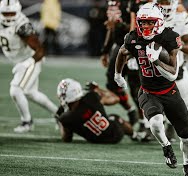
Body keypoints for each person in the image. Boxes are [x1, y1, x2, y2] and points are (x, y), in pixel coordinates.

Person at [114, 3, 188, 176]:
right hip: (148, 91)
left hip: (169, 91)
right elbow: (122, 52)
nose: (144, 26)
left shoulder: (169, 37)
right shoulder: (133, 37)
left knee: (187, 137)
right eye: (142, 23)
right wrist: (117, 74)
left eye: (149, 22)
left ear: (158, 22)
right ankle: (166, 147)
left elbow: (173, 74)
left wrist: (156, 61)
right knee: (156, 123)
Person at [0, 0, 58, 133]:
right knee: (31, 93)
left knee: (16, 90)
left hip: (31, 60)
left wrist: (27, 63)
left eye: (11, 13)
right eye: (5, 13)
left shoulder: (22, 25)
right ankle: (60, 114)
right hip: (19, 61)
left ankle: (27, 121)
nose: (8, 17)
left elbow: (40, 50)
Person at [155, 0, 188, 145]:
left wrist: (175, 42)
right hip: (153, 68)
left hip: (176, 68)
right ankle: (148, 126)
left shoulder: (181, 17)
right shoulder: (148, 13)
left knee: (186, 106)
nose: (164, 4)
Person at [55, 78, 134, 144]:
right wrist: (97, 89)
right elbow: (115, 98)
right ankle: (134, 134)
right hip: (115, 135)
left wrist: (60, 122)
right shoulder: (91, 98)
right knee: (114, 117)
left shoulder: (65, 118)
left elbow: (66, 138)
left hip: (95, 141)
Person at [100, 0, 140, 127]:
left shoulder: (133, 3)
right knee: (112, 83)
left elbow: (141, 28)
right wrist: (105, 50)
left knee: (136, 88)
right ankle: (130, 110)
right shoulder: (112, 2)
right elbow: (111, 27)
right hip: (119, 46)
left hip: (135, 46)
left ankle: (146, 122)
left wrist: (120, 25)